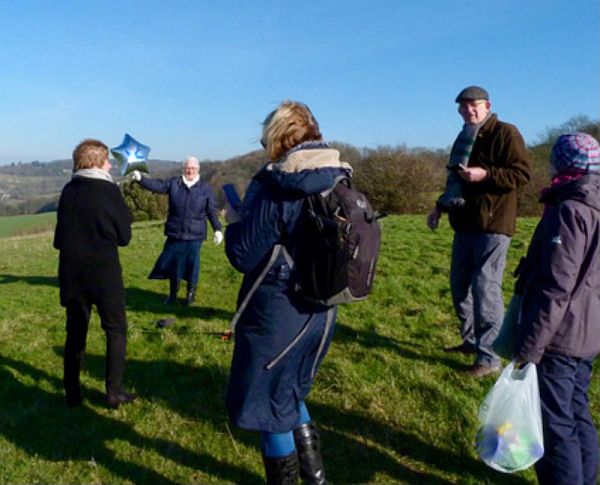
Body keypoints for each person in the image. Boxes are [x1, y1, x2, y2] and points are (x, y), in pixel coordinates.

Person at [224, 100, 352, 484]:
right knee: (291, 393)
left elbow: (244, 254)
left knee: (269, 407)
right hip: (322, 307)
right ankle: (317, 479)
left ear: (276, 137)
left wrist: (235, 222)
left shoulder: (277, 183)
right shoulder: (338, 175)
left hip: (280, 311)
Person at [426, 85, 531, 377]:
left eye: (475, 105)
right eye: (464, 107)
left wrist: (486, 174)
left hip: (494, 224)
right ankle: (471, 342)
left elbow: (522, 174)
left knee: (486, 289)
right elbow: (455, 180)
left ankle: (489, 358)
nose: (469, 110)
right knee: (460, 286)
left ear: (487, 106)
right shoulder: (464, 137)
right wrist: (439, 207)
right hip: (465, 222)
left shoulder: (506, 133)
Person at [515, 133, 600, 485]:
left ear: (564, 164)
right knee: (577, 410)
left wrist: (531, 347)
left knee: (556, 424)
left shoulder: (569, 210)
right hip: (589, 332)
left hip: (561, 335)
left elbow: (557, 286)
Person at [54, 139, 136, 409]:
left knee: (75, 332)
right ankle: (113, 392)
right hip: (104, 273)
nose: (111, 164)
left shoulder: (68, 191)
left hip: (71, 272)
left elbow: (59, 239)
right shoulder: (109, 190)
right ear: (96, 162)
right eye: (107, 160)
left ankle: (72, 394)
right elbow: (124, 236)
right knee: (116, 330)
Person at [131, 156, 223, 305]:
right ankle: (173, 295)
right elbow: (157, 185)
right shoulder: (174, 183)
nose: (190, 171)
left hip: (195, 235)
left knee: (192, 265)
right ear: (184, 168)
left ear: (198, 169)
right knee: (174, 265)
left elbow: (211, 211)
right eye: (188, 168)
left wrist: (217, 229)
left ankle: (190, 295)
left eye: (193, 168)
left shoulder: (205, 188)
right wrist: (141, 178)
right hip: (175, 233)